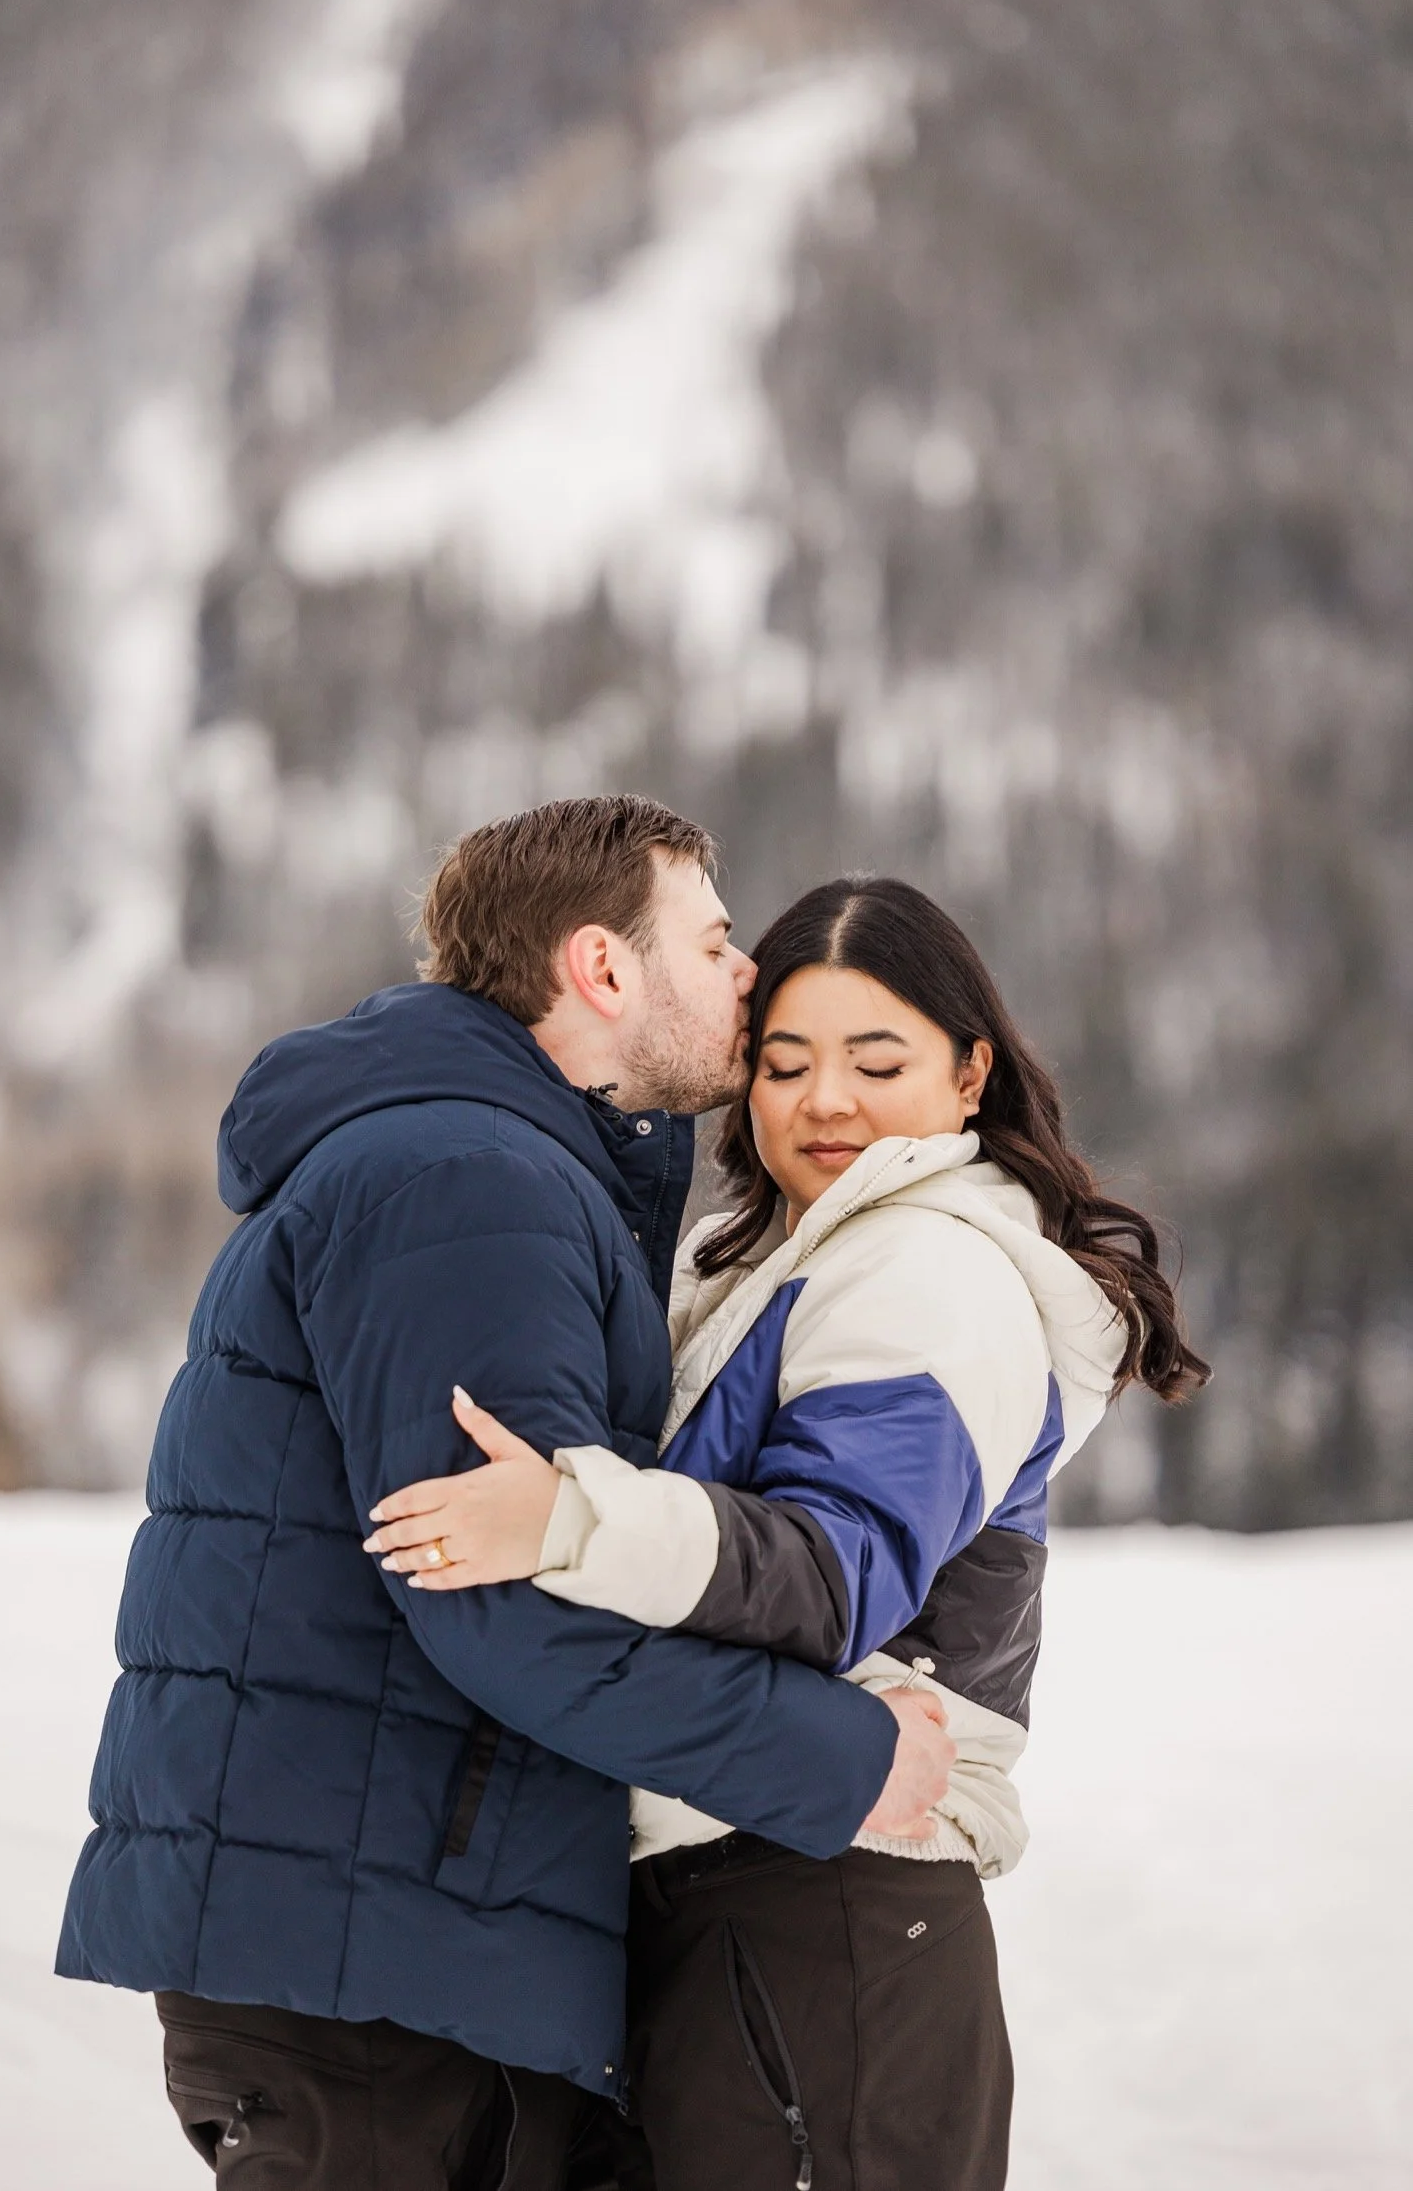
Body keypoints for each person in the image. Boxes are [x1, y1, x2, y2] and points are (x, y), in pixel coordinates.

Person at [55, 801, 957, 2191]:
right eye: (714, 942)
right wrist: (841, 1757)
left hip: (393, 1940)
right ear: (601, 968)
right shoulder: (467, 1180)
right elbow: (507, 1604)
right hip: (372, 1973)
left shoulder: (494, 1165)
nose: (747, 977)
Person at [365, 875, 1211, 2191]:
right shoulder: (775, 1263)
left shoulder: (932, 1269)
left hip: (832, 1902)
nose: (825, 1099)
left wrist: (567, 1518)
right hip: (751, 1890)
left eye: (879, 1060)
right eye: (785, 1061)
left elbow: (829, 1571)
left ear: (971, 1071)